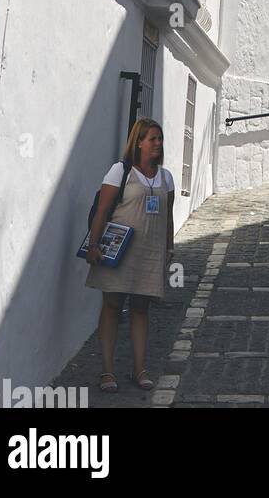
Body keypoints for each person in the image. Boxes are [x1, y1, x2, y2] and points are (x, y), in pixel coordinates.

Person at [85, 118, 175, 393]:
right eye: (152, 139)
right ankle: (107, 371)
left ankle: (140, 369)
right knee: (112, 307)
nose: (158, 144)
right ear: (139, 142)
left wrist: (170, 249)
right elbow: (102, 210)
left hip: (149, 253)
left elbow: (167, 217)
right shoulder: (120, 171)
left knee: (140, 310)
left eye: (160, 139)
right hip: (118, 251)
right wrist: (93, 244)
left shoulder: (166, 177)